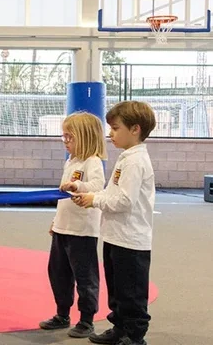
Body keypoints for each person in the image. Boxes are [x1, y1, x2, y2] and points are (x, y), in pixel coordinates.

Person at [72, 101, 157, 345]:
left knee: (131, 293)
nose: (110, 134)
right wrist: (93, 196)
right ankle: (120, 328)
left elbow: (124, 201)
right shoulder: (125, 158)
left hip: (131, 240)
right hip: (114, 236)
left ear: (135, 129)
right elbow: (112, 192)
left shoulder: (135, 161)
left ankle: (134, 335)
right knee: (118, 290)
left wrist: (94, 199)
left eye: (116, 128)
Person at [39, 112, 107, 338]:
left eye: (70, 137)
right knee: (58, 273)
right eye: (64, 137)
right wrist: (55, 222)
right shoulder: (70, 161)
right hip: (62, 228)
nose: (66, 142)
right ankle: (62, 313)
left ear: (86, 137)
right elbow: (63, 199)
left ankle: (87, 319)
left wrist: (77, 185)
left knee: (85, 276)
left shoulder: (92, 161)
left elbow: (97, 185)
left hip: (82, 231)